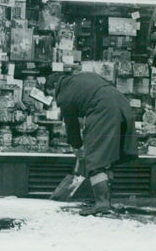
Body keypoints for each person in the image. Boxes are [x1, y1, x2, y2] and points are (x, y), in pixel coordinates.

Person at [45, 71, 138, 215]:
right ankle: (106, 200)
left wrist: (77, 146)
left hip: (103, 109)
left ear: (56, 85)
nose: (55, 99)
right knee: (107, 157)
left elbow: (71, 125)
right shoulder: (83, 77)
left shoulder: (64, 93)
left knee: (96, 159)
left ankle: (102, 203)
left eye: (52, 94)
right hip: (121, 104)